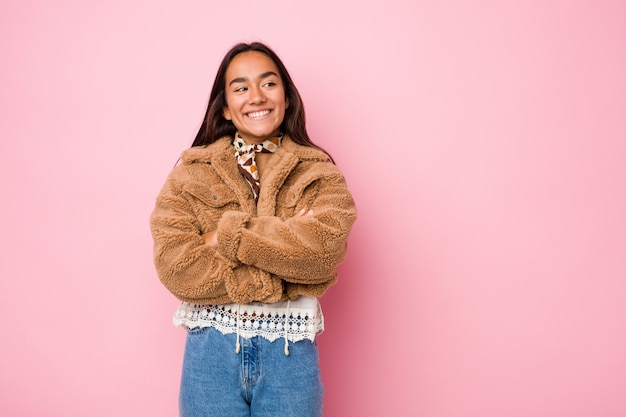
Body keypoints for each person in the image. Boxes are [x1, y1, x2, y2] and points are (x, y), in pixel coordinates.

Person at [149, 41, 357, 417]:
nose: (256, 96)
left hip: (290, 358)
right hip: (210, 354)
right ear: (226, 106)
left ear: (287, 97)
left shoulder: (319, 172)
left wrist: (220, 236)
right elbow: (176, 267)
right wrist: (286, 241)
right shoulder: (191, 173)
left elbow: (322, 255)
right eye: (241, 87)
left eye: (269, 83)